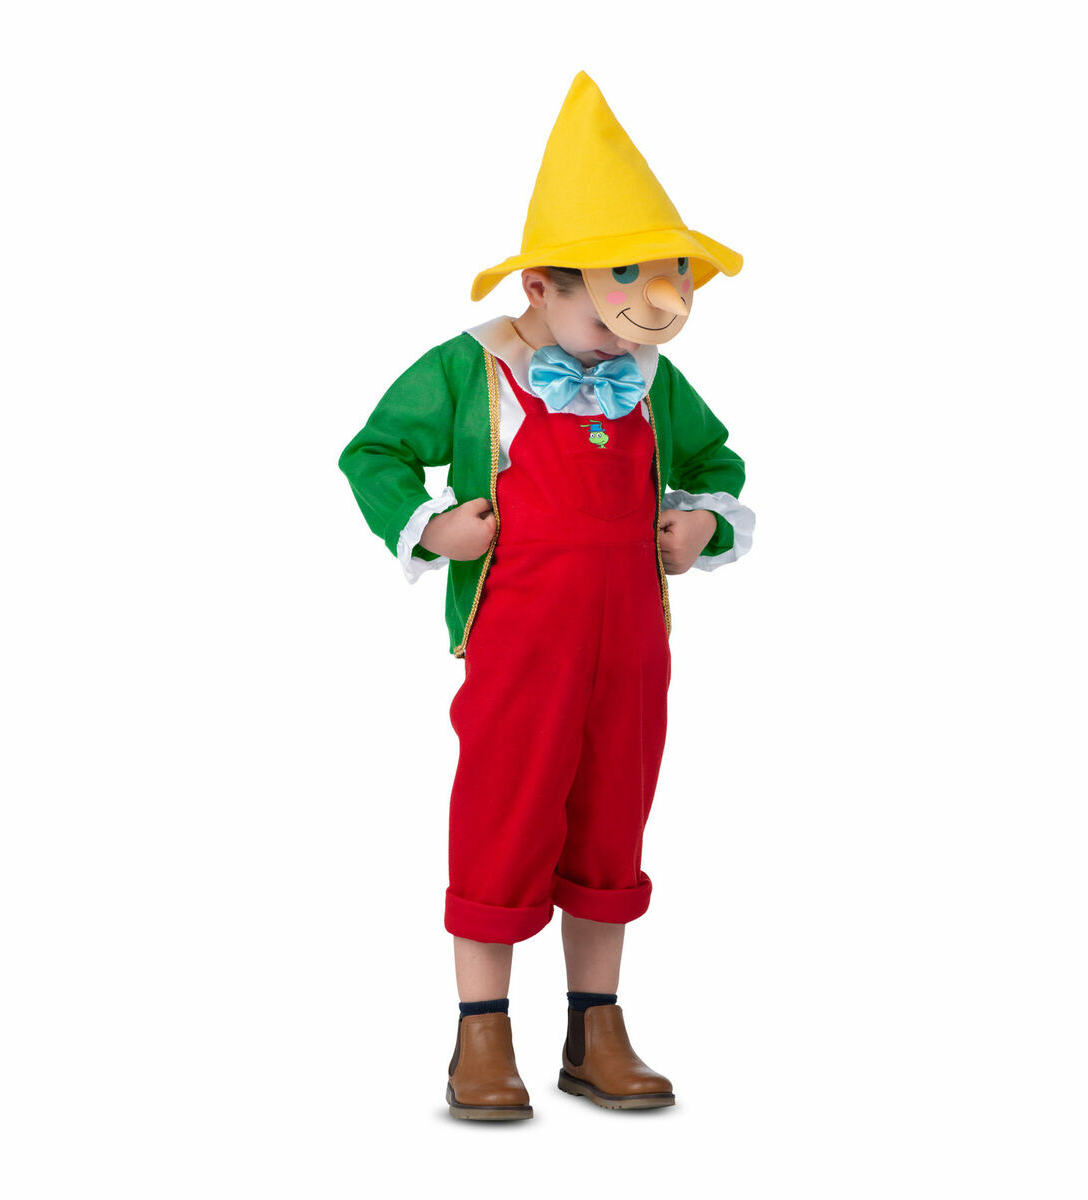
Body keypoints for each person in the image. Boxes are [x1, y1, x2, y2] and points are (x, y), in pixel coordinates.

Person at [338, 71, 754, 1120]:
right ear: (539, 288)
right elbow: (373, 453)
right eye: (607, 314)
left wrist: (702, 523)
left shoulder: (652, 377)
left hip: (633, 649)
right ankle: (481, 1034)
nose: (627, 342)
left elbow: (715, 462)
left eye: (644, 319)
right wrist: (432, 525)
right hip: (522, 645)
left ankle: (594, 1028)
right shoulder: (469, 370)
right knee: (504, 813)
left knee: (612, 820)